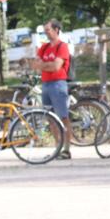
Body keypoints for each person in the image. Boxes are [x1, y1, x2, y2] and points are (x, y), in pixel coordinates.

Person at [30, 19, 72, 159]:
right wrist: (45, 65)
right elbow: (36, 65)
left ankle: (66, 149)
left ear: (56, 30)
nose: (46, 33)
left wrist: (43, 65)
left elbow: (56, 67)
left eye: (48, 30)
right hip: (46, 84)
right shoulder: (44, 47)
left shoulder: (62, 47)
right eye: (45, 30)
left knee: (63, 117)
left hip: (58, 84)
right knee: (51, 118)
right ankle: (57, 148)